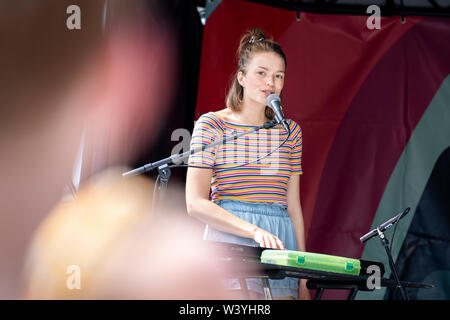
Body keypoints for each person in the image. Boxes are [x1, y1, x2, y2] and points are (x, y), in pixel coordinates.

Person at [186, 28, 310, 300]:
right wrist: (253, 231)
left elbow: (294, 209)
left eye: (279, 76)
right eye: (261, 73)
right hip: (231, 237)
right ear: (241, 77)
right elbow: (195, 203)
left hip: (279, 238)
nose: (271, 82)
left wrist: (302, 279)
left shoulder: (290, 131)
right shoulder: (212, 124)